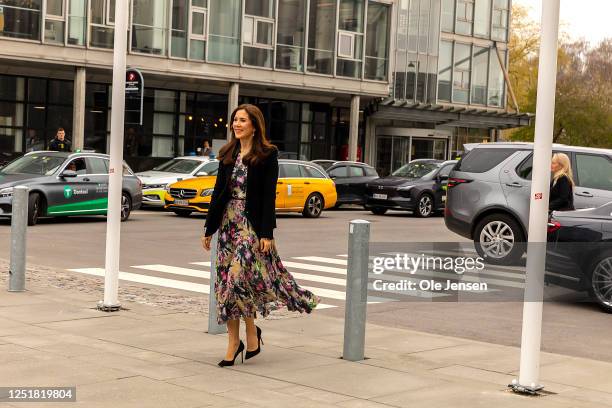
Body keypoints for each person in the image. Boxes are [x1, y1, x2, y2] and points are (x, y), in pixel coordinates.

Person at [201, 104, 319, 367]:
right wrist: (209, 228)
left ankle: (239, 341)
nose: (236, 124)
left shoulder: (267, 154)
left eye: (242, 120)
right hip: (228, 223)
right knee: (228, 284)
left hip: (250, 225)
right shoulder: (227, 152)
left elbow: (268, 196)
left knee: (234, 280)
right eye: (234, 120)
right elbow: (219, 192)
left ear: (254, 125)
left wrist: (267, 232)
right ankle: (245, 338)